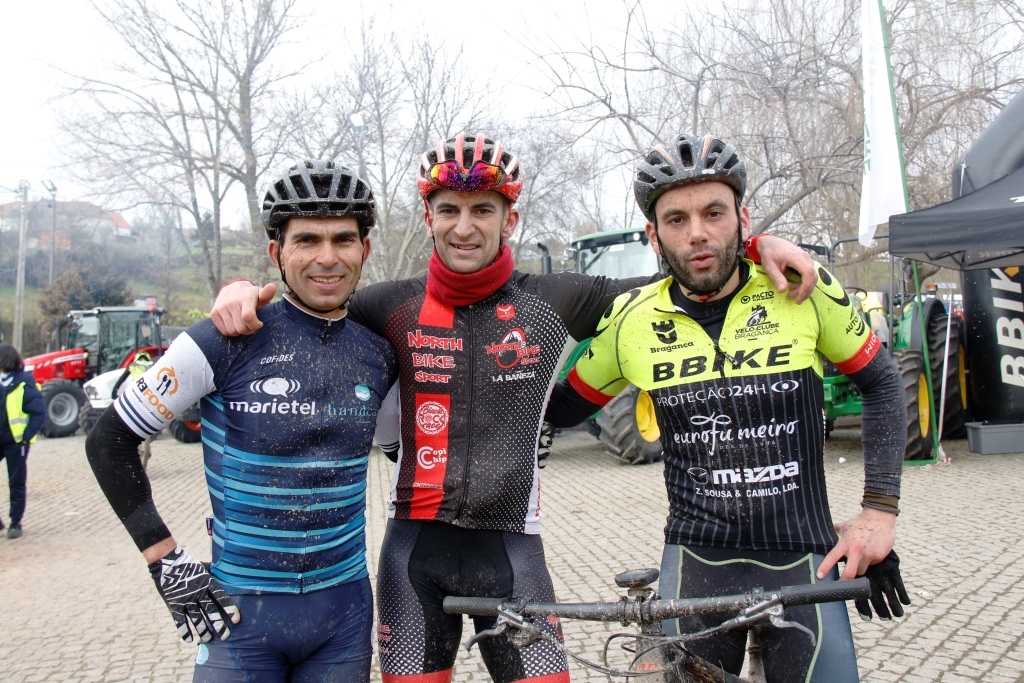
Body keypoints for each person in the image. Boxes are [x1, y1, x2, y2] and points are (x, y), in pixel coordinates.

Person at [211, 133, 820, 683]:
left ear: (511, 218)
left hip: (512, 554)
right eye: (449, 210)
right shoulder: (386, 306)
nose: (464, 227)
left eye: (483, 209)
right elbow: (310, 306)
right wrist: (240, 292)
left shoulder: (557, 298)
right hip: (410, 560)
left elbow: (686, 278)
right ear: (428, 217)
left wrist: (756, 244)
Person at [545, 133, 910, 682]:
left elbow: (881, 382)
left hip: (803, 557)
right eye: (676, 220)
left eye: (713, 213)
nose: (697, 233)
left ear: (742, 219)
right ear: (653, 234)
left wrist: (878, 514)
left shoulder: (802, 287)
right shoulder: (631, 321)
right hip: (697, 562)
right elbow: (559, 409)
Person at [86, 161, 397, 682]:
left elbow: (403, 451)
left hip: (343, 613)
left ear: (364, 249)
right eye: (307, 240)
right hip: (240, 616)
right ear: (277, 253)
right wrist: (164, 560)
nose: (327, 257)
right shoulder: (224, 337)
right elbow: (109, 440)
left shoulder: (380, 352)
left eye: (343, 239)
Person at [0, 344, 45, 540]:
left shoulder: (25, 383)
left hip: (16, 442)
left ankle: (15, 522)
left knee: (16, 482)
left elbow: (39, 412)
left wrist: (26, 437)